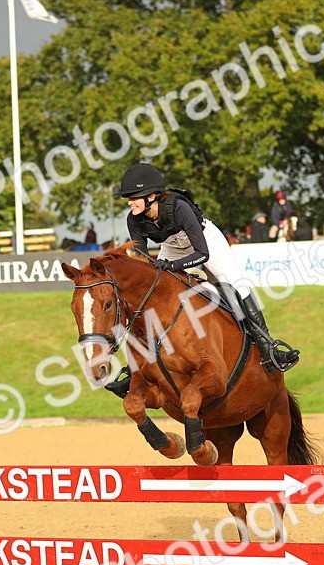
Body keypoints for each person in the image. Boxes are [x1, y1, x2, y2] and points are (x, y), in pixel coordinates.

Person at [112, 162, 299, 392]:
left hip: (204, 240)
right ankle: (135, 366)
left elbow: (202, 253)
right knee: (148, 297)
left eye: (134, 197)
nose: (129, 202)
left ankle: (268, 347)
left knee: (235, 284)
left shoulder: (179, 208)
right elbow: (141, 259)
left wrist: (172, 266)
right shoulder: (134, 219)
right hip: (172, 246)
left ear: (152, 196)